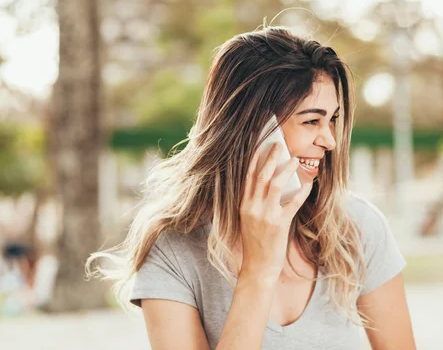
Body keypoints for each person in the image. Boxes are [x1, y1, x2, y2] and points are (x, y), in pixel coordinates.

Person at [87, 26, 416, 349]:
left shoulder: (356, 227)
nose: (329, 140)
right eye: (311, 121)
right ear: (253, 128)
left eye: (332, 120)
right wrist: (259, 270)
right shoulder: (173, 251)